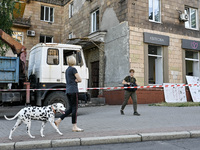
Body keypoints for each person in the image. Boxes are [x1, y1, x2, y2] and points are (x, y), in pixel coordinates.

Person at [55, 55, 84, 132]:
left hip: (68, 91)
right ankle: (74, 126)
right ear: (74, 61)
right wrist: (77, 81)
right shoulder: (73, 69)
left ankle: (59, 120)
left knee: (71, 108)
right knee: (75, 108)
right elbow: (80, 79)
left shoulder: (67, 70)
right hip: (74, 90)